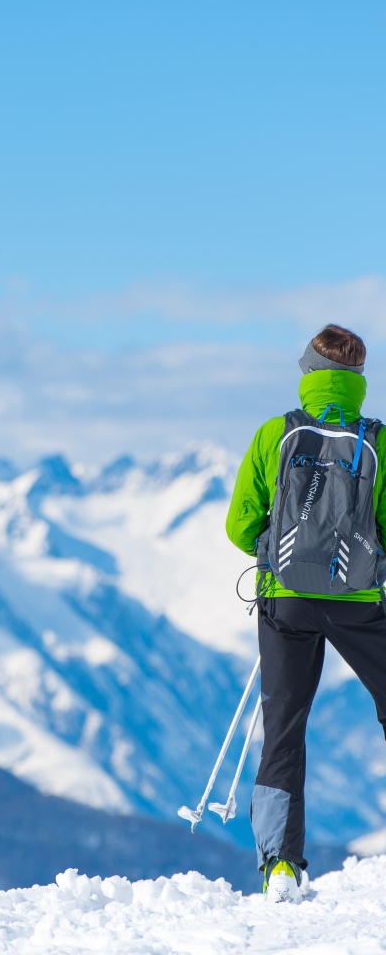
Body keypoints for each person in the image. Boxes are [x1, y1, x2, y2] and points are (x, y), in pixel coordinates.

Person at [225, 323, 386, 903]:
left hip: (286, 600)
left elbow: (240, 525)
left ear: (309, 374)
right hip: (359, 602)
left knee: (284, 728)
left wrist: (284, 557)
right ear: (358, 382)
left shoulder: (275, 434)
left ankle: (280, 866)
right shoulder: (379, 441)